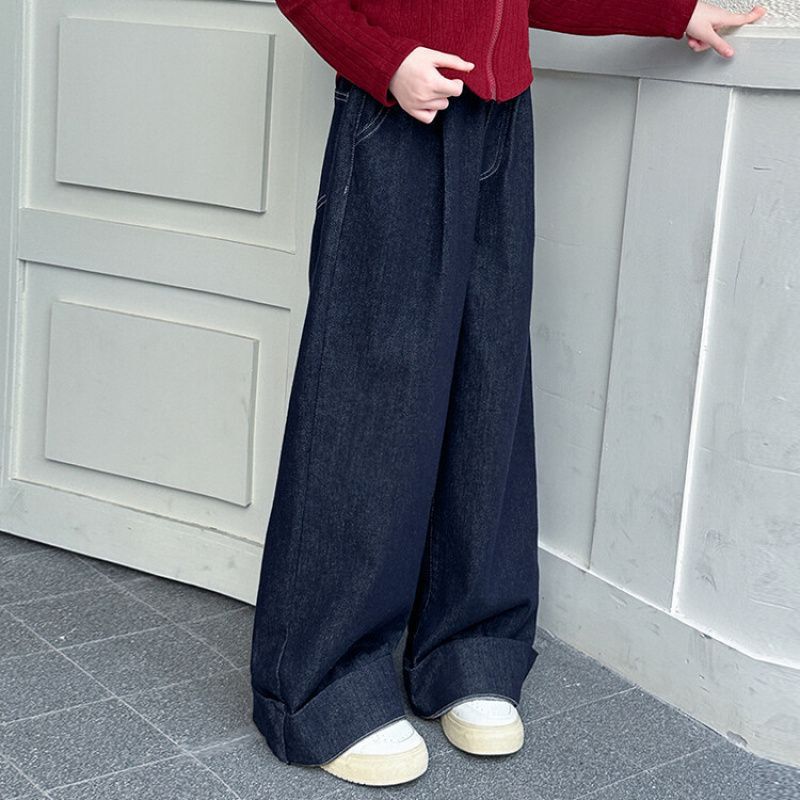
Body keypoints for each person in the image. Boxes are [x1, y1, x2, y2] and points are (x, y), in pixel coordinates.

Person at [249, 0, 767, 787]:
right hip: (398, 111)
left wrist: (674, 11)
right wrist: (384, 60)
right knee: (369, 393)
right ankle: (322, 688)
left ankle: (470, 649)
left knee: (488, 381)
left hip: (502, 118)